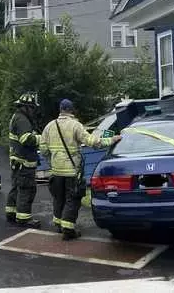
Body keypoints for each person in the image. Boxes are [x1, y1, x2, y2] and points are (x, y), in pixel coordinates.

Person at [40, 99, 121, 240]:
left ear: (60, 109)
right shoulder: (75, 126)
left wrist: (52, 162)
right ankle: (68, 228)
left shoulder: (49, 126)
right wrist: (112, 140)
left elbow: (43, 149)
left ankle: (59, 224)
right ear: (72, 110)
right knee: (73, 198)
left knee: (59, 198)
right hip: (71, 171)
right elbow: (93, 142)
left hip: (56, 171)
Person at [5, 93, 42, 228]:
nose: (33, 111)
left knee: (16, 188)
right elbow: (26, 139)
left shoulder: (17, 116)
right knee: (27, 189)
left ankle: (11, 213)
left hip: (17, 160)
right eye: (31, 108)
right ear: (26, 108)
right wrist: (41, 138)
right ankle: (24, 218)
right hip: (24, 161)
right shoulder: (22, 120)